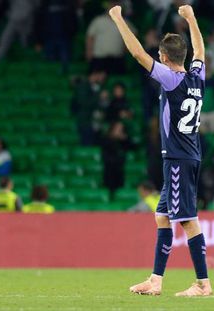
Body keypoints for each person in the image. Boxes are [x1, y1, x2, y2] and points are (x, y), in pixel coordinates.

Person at [110, 4, 212, 296]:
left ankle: (203, 284)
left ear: (165, 58)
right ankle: (155, 280)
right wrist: (192, 18)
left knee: (188, 221)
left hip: (179, 158)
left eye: (161, 57)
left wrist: (118, 18)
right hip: (184, 155)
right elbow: (201, 53)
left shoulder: (171, 79)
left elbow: (138, 54)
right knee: (162, 216)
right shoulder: (196, 77)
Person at [86, 0, 135, 74]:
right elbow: (90, 37)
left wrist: (126, 50)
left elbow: (133, 37)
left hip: (117, 59)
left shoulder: (125, 22)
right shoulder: (98, 21)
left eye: (116, 4)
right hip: (99, 59)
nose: (113, 6)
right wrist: (89, 52)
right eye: (112, 3)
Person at [70, 70, 107, 146]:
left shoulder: (98, 87)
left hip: (96, 122)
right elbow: (84, 102)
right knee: (87, 143)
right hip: (86, 121)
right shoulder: (83, 86)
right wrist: (98, 96)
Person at [101, 121, 134, 199]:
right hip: (110, 170)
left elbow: (133, 147)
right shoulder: (107, 140)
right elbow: (105, 156)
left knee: (121, 188)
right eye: (118, 128)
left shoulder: (123, 141)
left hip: (120, 169)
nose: (119, 131)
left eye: (121, 129)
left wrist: (125, 139)